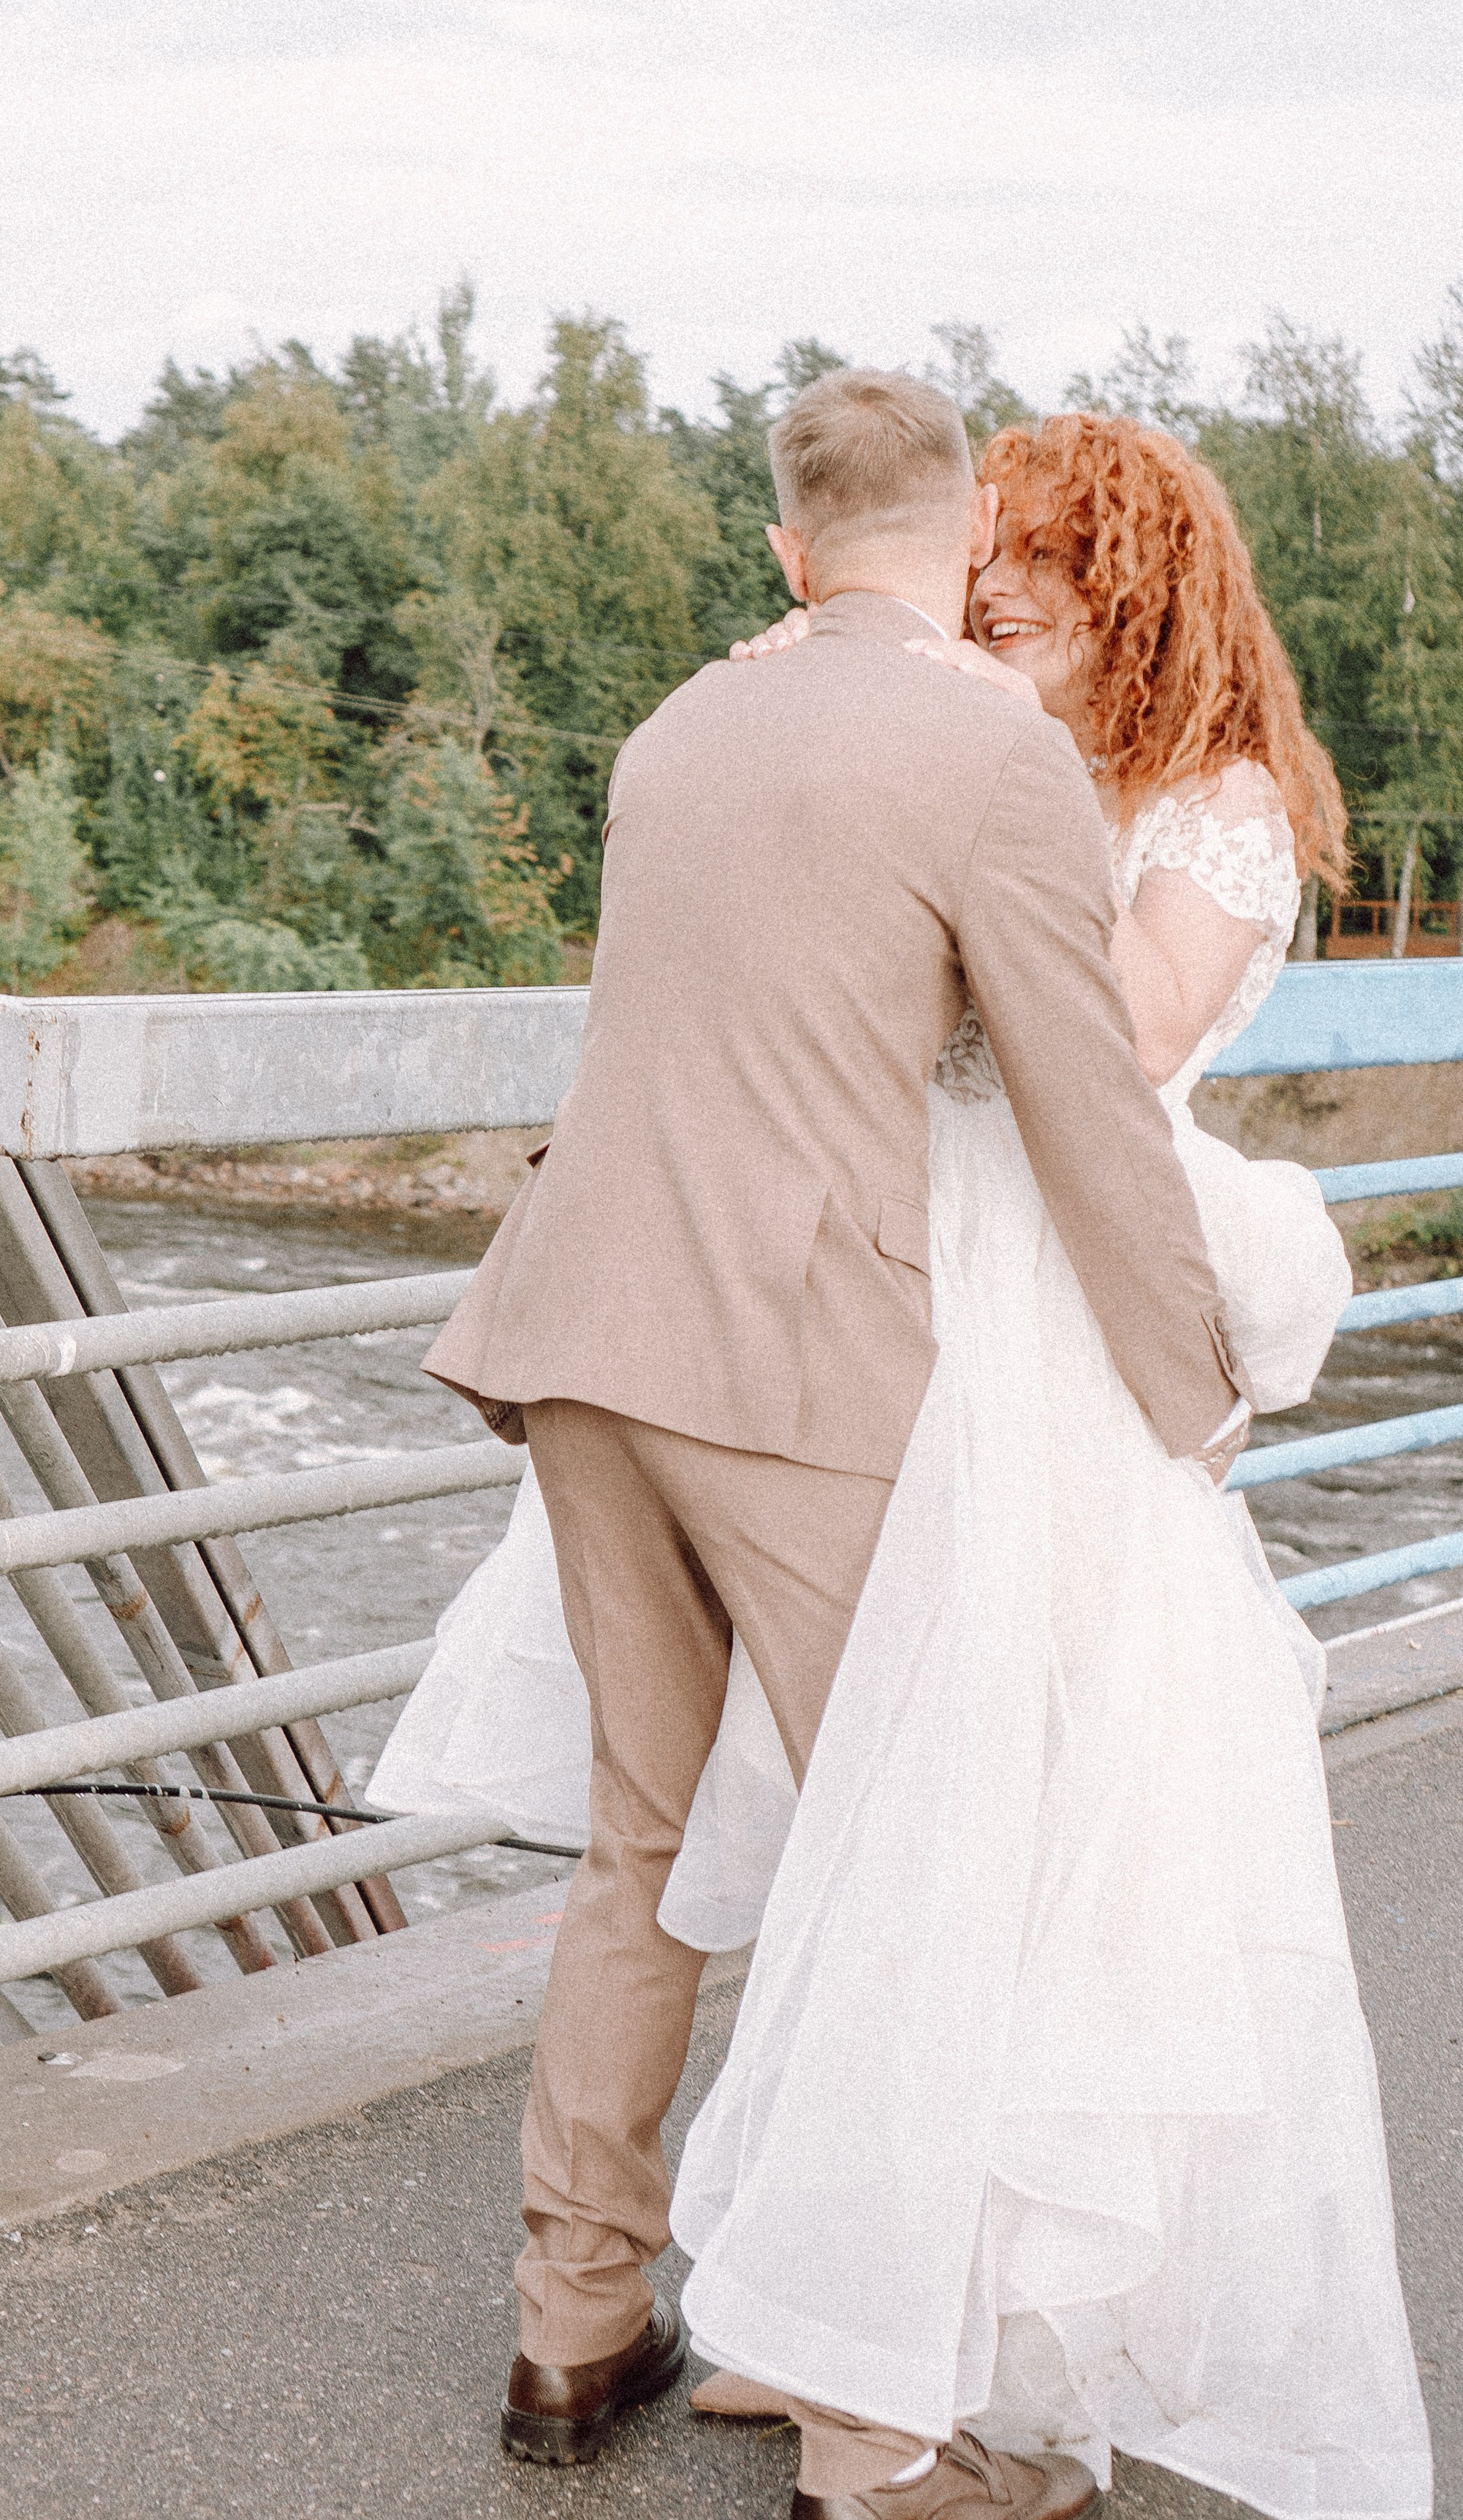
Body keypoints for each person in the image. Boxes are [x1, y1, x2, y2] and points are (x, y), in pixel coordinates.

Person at [411, 370, 1263, 2520]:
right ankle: (879, 2444)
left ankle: (573, 2324)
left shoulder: (682, 723)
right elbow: (1083, 1097)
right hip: (792, 1361)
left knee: (641, 1843)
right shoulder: (991, 749)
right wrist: (1192, 1385)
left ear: (788, 550)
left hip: (580, 1325)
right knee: (913, 1853)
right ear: (970, 533)